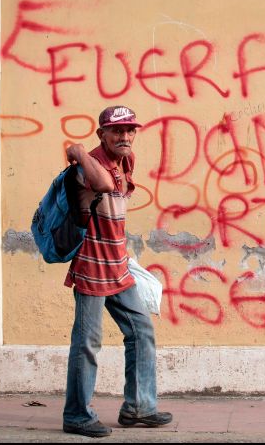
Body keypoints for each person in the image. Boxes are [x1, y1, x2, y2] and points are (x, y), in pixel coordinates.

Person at [61, 105, 172, 438]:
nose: (125, 137)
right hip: (92, 265)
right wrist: (79, 150)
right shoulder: (88, 165)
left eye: (130, 131)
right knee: (87, 344)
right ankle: (77, 415)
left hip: (118, 264)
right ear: (101, 134)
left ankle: (138, 408)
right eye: (117, 131)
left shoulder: (126, 159)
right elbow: (104, 184)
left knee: (141, 331)